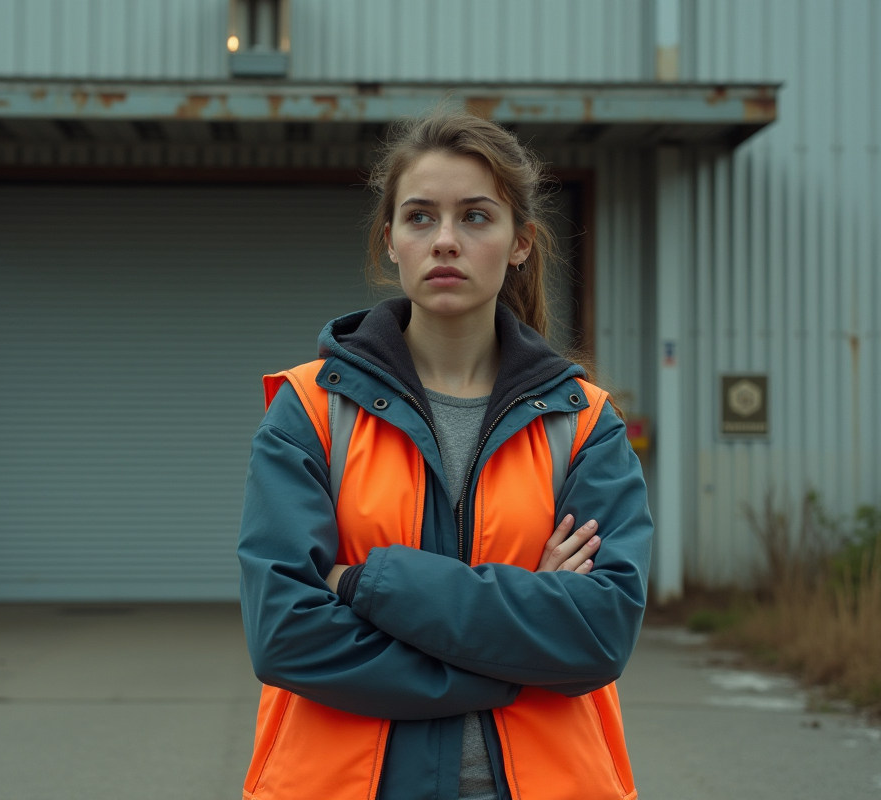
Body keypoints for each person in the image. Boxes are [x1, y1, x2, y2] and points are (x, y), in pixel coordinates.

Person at [238, 108, 652, 800]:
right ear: (391, 241)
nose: (447, 241)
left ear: (520, 243)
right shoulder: (309, 410)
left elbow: (599, 634)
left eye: (476, 217)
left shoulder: (585, 425)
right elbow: (285, 633)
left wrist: (364, 585)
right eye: (422, 217)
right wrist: (523, 641)